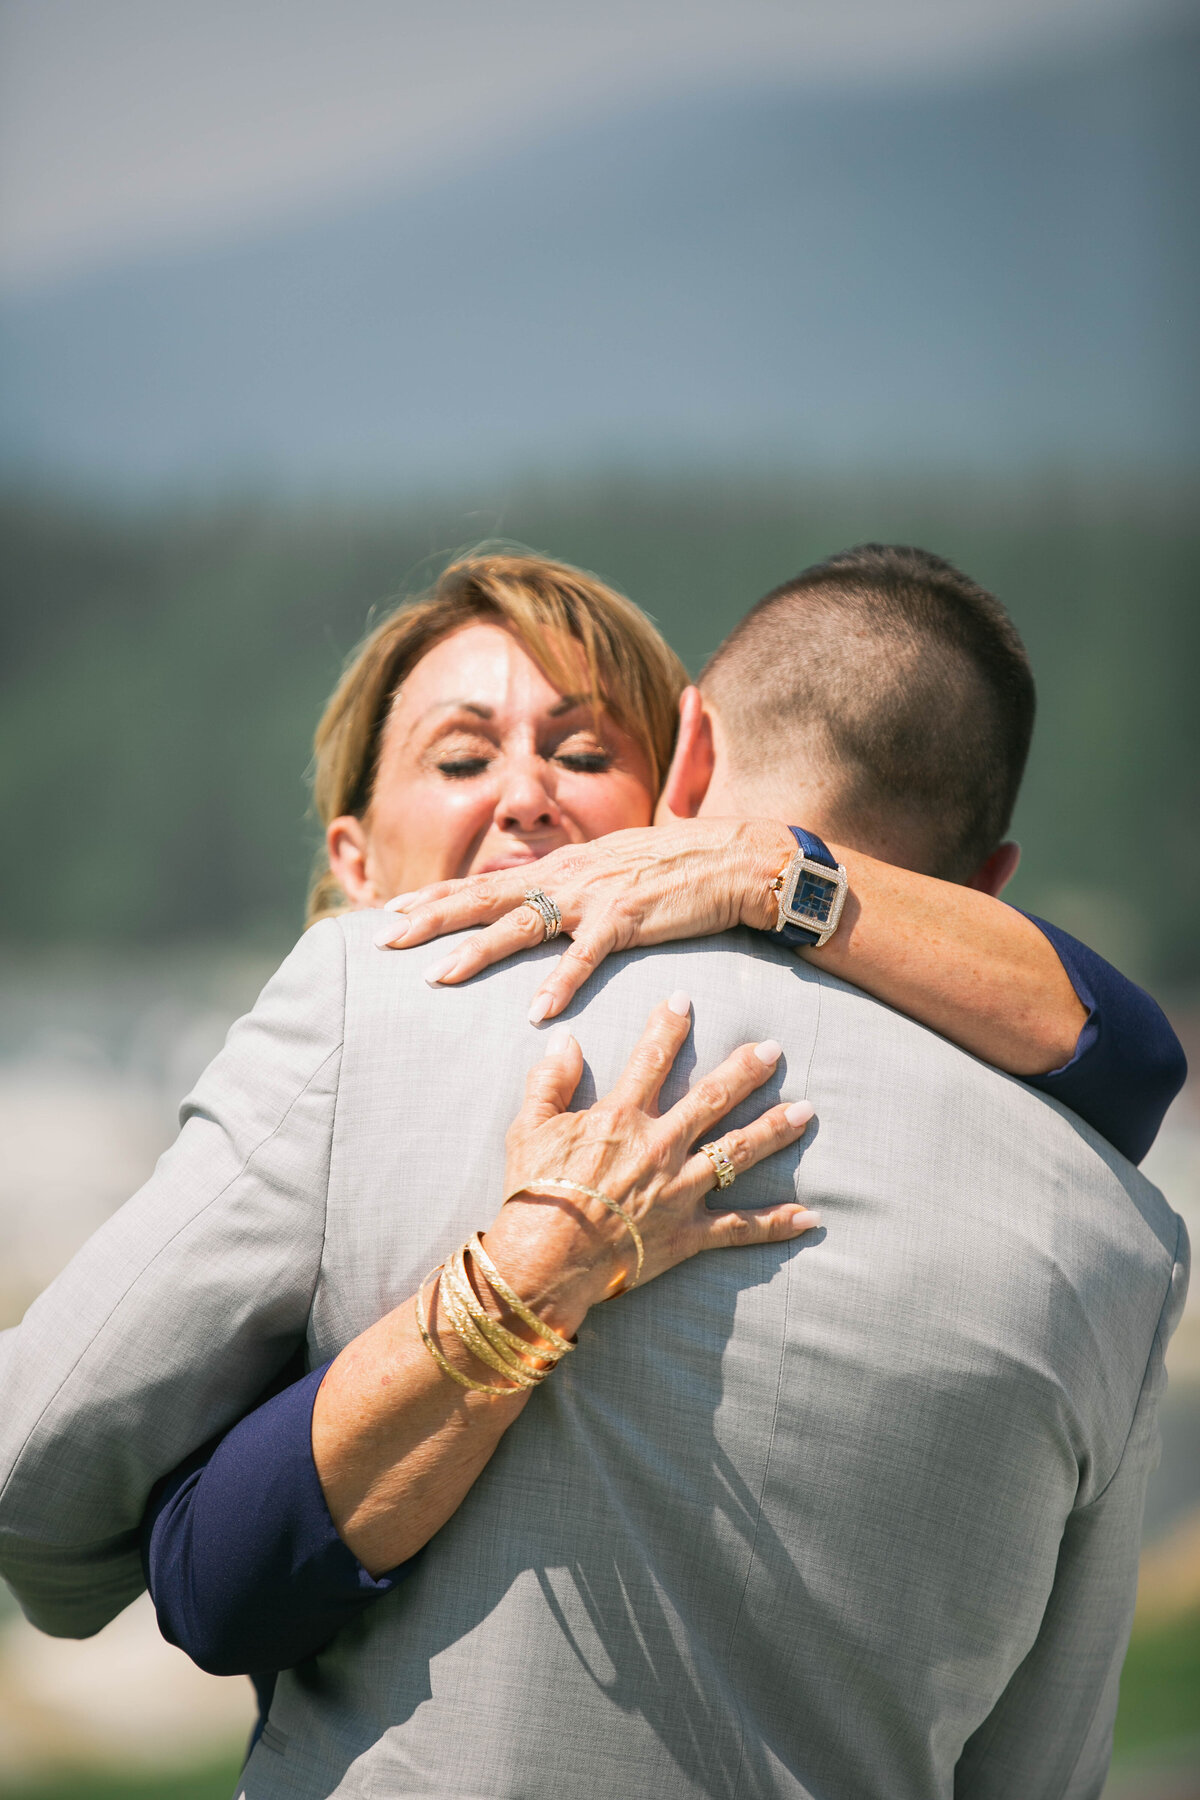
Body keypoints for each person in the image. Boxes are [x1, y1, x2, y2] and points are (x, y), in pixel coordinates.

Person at [0, 549, 1186, 1795]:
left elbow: (54, 1489)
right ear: (352, 857)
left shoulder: (367, 1008)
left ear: (678, 786)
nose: (524, 801)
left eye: (579, 755)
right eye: (460, 759)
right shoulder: (1115, 1230)